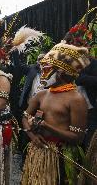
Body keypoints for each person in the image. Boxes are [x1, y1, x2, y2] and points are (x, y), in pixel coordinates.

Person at [21, 43, 90, 184]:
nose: (42, 70)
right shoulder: (41, 94)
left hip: (60, 157)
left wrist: (47, 126)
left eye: (47, 67)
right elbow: (24, 117)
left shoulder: (76, 99)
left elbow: (78, 137)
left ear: (61, 72)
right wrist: (32, 135)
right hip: (38, 152)